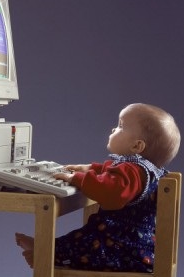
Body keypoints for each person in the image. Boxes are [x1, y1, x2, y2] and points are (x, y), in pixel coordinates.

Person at [15, 103, 181, 272]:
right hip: (138, 248)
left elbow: (112, 191)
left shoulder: (131, 169)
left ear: (137, 146)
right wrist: (90, 168)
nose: (113, 129)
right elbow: (114, 175)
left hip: (120, 250)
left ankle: (44, 253)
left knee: (83, 242)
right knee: (83, 236)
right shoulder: (147, 171)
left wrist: (77, 179)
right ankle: (45, 248)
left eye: (120, 126)